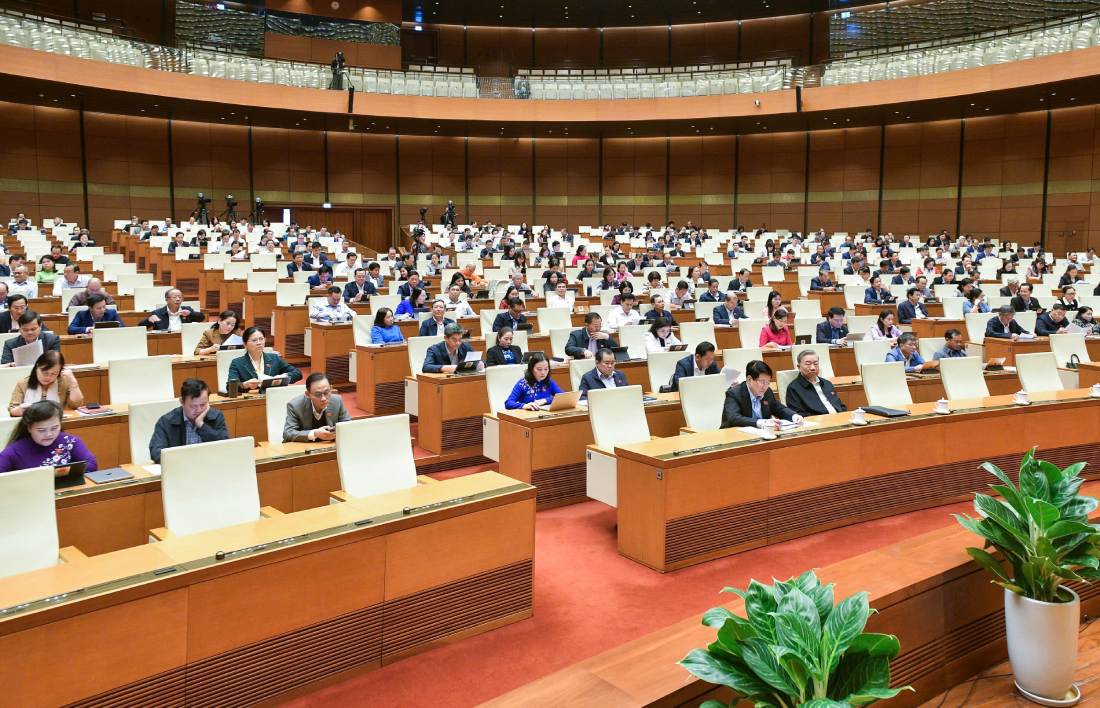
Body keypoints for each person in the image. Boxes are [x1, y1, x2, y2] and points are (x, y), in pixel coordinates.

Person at [0, 400, 97, 473]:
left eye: (54, 428)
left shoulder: (70, 441)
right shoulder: (15, 450)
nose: (49, 434)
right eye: (41, 430)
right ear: (29, 428)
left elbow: (92, 464)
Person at [147, 378, 230, 463]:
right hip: (180, 468)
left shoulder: (216, 416)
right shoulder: (166, 421)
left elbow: (225, 446)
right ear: (182, 402)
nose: (199, 410)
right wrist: (185, 461)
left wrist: (201, 425)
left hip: (210, 465)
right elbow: (156, 453)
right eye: (193, 406)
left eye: (203, 405)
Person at [720, 360, 802, 429]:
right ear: (749, 379)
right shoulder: (734, 393)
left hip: (762, 434)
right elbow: (734, 418)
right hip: (735, 435)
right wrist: (762, 422)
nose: (765, 386)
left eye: (768, 382)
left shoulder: (767, 391)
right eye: (762, 382)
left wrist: (794, 416)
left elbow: (779, 408)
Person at [8, 351, 83, 417]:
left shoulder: (63, 382)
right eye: (45, 373)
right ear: (37, 366)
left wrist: (73, 383)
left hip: (55, 426)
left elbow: (76, 405)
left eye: (54, 374)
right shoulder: (23, 383)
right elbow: (12, 410)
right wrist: (23, 409)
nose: (48, 377)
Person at [227, 327, 303, 390]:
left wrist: (284, 376)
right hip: (252, 401)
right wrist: (245, 385)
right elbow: (230, 386)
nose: (259, 343)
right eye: (254, 340)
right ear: (245, 344)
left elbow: (297, 373)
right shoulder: (237, 363)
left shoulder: (274, 358)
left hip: (274, 397)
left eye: (261, 339)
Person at [283, 373, 351, 443]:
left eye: (326, 392)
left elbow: (348, 424)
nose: (323, 398)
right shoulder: (295, 406)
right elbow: (288, 434)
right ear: (308, 394)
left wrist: (336, 431)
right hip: (305, 448)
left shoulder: (337, 401)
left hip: (329, 446)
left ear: (331, 389)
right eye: (318, 394)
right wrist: (315, 433)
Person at [784, 349, 847, 417]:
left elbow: (840, 406)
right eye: (808, 364)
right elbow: (798, 414)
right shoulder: (793, 388)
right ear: (799, 367)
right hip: (819, 424)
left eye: (816, 364)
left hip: (840, 420)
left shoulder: (827, 383)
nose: (813, 368)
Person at [140, 288, 205, 332]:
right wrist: (148, 320)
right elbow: (141, 328)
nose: (178, 299)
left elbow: (201, 318)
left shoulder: (186, 309)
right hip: (165, 340)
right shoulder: (158, 313)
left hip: (184, 338)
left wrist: (191, 314)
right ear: (167, 299)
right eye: (174, 297)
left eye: (180, 297)